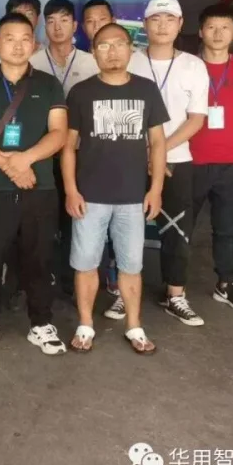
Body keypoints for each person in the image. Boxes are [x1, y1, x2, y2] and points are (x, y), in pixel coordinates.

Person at [0, 12, 68, 355]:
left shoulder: (49, 85)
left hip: (40, 187)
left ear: (34, 44)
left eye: (25, 38)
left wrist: (25, 159)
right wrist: (11, 166)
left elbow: (59, 133)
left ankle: (40, 323)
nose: (18, 45)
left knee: (39, 257)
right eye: (10, 38)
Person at [63, 23, 168, 355]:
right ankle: (85, 325)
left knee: (131, 265)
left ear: (130, 49)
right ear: (94, 53)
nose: (112, 51)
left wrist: (155, 189)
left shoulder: (146, 89)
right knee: (85, 263)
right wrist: (71, 190)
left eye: (119, 44)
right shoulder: (81, 92)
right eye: (104, 46)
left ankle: (134, 326)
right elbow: (68, 146)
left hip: (133, 196)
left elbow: (158, 142)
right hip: (89, 196)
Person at [127, 0, 209, 326]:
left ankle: (175, 294)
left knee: (176, 229)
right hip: (129, 160)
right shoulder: (129, 61)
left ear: (180, 24)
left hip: (177, 159)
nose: (162, 25)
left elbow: (196, 119)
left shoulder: (194, 65)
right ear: (145, 24)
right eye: (155, 19)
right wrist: (145, 152)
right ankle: (122, 293)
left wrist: (158, 151)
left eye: (169, 19)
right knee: (126, 227)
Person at [188, 4, 233, 312]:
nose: (217, 34)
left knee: (226, 228)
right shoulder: (187, 66)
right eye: (211, 27)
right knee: (181, 227)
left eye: (225, 28)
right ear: (201, 31)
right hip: (189, 160)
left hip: (231, 162)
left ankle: (225, 283)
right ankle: (174, 285)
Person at [30, 0, 100, 298]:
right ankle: (41, 277)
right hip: (42, 154)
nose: (57, 27)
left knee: (78, 218)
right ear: (44, 26)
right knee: (42, 218)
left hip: (82, 154)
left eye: (64, 20)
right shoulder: (32, 63)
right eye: (51, 21)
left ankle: (74, 278)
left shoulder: (91, 63)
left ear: (75, 25)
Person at [81, 0, 121, 299]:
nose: (96, 26)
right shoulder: (85, 72)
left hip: (123, 168)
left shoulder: (128, 68)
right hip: (87, 165)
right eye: (90, 22)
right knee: (87, 233)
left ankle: (116, 281)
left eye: (102, 20)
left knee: (122, 232)